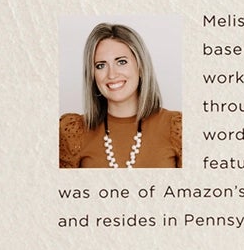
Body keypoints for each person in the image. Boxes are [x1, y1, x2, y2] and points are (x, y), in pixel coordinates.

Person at [59, 23, 182, 168]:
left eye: (121, 62)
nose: (112, 74)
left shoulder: (177, 127)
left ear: (141, 67)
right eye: (100, 65)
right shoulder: (73, 132)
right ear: (92, 75)